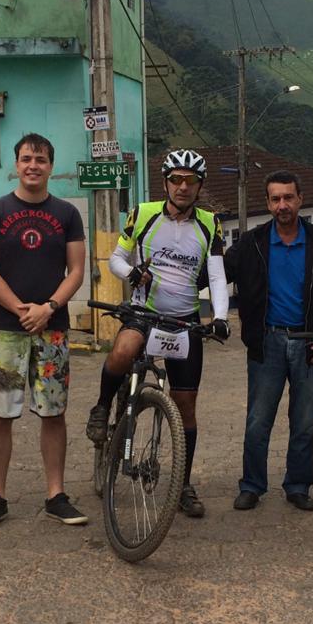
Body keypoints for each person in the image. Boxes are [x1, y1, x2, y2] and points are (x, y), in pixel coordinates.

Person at [85, 149, 230, 518]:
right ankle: (102, 406)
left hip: (184, 320)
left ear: (200, 186)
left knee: (186, 406)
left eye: (191, 181)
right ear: (165, 182)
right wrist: (131, 273)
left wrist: (220, 317)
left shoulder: (210, 223)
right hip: (144, 313)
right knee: (123, 350)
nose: (183, 187)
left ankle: (183, 485)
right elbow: (116, 259)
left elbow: (216, 276)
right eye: (176, 179)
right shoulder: (143, 213)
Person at [0, 133, 87, 528]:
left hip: (52, 330)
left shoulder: (67, 214)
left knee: (54, 413)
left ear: (51, 166)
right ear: (16, 164)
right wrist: (21, 310)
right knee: (0, 414)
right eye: (26, 159)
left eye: (40, 159)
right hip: (6, 331)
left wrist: (49, 308)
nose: (33, 166)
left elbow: (77, 270)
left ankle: (56, 495)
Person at [225, 170, 313, 513]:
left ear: (300, 199)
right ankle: (252, 486)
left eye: (288, 197)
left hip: (310, 344)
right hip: (268, 342)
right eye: (276, 199)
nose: (283, 205)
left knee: (304, 422)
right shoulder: (252, 243)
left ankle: (298, 486)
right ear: (267, 203)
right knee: (258, 421)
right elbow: (216, 273)